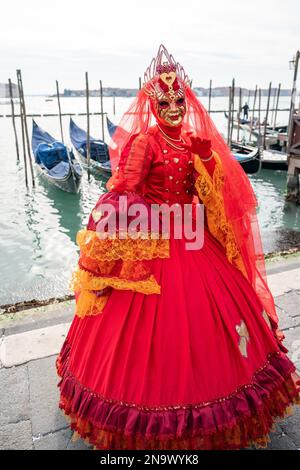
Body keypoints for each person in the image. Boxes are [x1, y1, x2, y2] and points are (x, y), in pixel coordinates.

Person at [56, 45, 300, 450]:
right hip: (154, 242)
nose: (172, 107)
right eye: (164, 101)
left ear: (187, 102)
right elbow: (125, 189)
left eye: (178, 100)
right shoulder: (143, 143)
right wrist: (121, 230)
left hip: (194, 243)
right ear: (152, 104)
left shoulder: (193, 141)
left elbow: (212, 195)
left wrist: (208, 165)